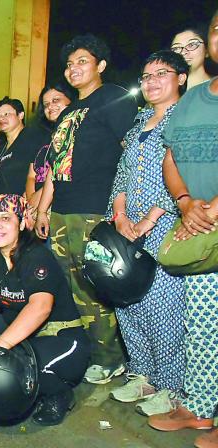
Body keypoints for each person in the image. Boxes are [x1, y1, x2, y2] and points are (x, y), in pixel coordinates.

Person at [34, 34, 138, 384]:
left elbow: (132, 153)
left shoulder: (113, 98)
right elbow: (55, 164)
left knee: (98, 288)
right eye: (69, 63)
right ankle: (96, 352)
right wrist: (42, 210)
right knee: (77, 290)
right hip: (62, 212)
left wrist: (126, 205)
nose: (73, 68)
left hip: (94, 209)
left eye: (82, 61)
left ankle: (112, 359)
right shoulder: (67, 112)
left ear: (100, 66)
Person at [0, 194, 90, 425]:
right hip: (24, 337)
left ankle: (58, 393)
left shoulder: (36, 256)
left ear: (22, 222)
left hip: (62, 338)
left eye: (5, 218)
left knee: (13, 370)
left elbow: (40, 308)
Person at [105, 50, 188, 415]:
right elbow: (121, 173)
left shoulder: (185, 120)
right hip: (128, 226)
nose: (151, 81)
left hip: (166, 224)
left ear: (181, 78)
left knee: (162, 305)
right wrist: (120, 214)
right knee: (126, 298)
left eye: (161, 73)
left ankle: (171, 385)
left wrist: (149, 220)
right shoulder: (138, 122)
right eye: (146, 75)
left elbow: (184, 176)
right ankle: (141, 373)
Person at [151, 12, 218, 447]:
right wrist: (186, 203)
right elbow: (170, 158)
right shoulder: (193, 100)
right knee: (203, 325)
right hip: (197, 226)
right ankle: (200, 408)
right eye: (216, 28)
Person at [24, 83, 74, 229]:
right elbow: (31, 175)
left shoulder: (73, 133)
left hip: (56, 205)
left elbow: (56, 172)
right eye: (46, 104)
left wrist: (39, 200)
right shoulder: (42, 138)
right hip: (35, 207)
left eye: (56, 100)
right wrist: (30, 201)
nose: (50, 107)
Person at [171, 24, 211, 90]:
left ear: (207, 50)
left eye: (192, 44)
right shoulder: (167, 93)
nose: (183, 52)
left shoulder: (215, 88)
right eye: (177, 48)